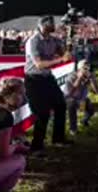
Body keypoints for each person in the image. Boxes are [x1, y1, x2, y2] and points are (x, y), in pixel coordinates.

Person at [24, 16, 73, 154]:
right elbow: (39, 64)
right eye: (51, 24)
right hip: (34, 79)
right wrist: (61, 59)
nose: (54, 26)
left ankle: (58, 138)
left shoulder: (53, 40)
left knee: (60, 105)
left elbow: (65, 53)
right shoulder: (33, 41)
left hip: (47, 78)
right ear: (43, 25)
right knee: (42, 113)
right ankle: (37, 146)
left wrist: (68, 43)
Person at [65, 60, 98, 136]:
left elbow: (97, 91)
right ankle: (73, 129)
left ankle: (84, 121)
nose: (87, 70)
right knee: (71, 104)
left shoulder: (89, 75)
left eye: (88, 67)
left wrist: (92, 80)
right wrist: (79, 78)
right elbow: (70, 93)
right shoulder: (71, 77)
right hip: (71, 98)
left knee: (91, 110)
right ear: (79, 69)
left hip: (82, 100)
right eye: (84, 68)